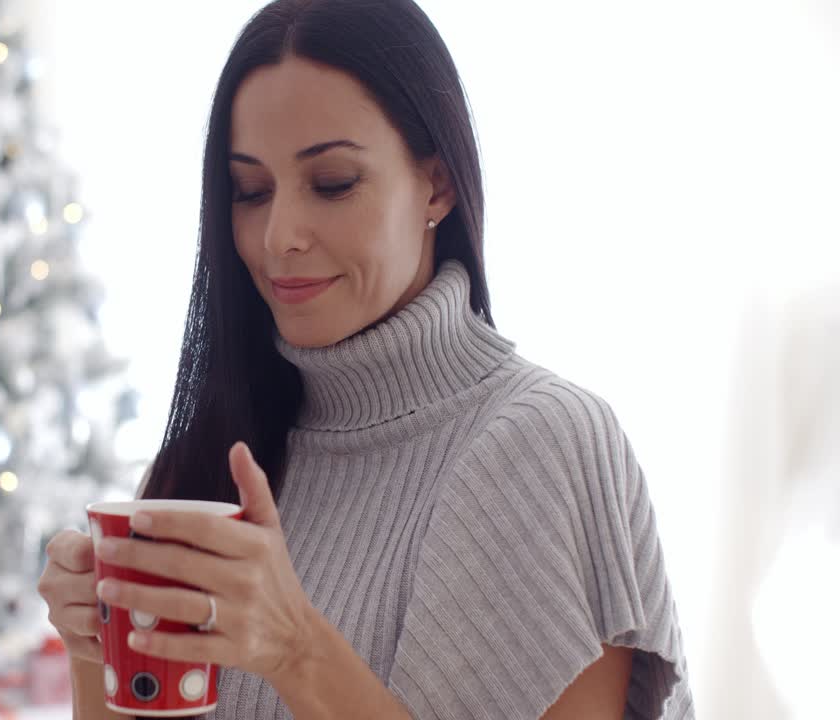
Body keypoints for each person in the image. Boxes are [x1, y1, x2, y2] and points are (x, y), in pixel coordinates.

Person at [38, 0, 695, 717]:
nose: (278, 235)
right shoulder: (203, 462)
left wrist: (294, 648)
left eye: (333, 183)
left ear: (436, 184)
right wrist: (92, 643)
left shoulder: (549, 444)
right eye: (251, 191)